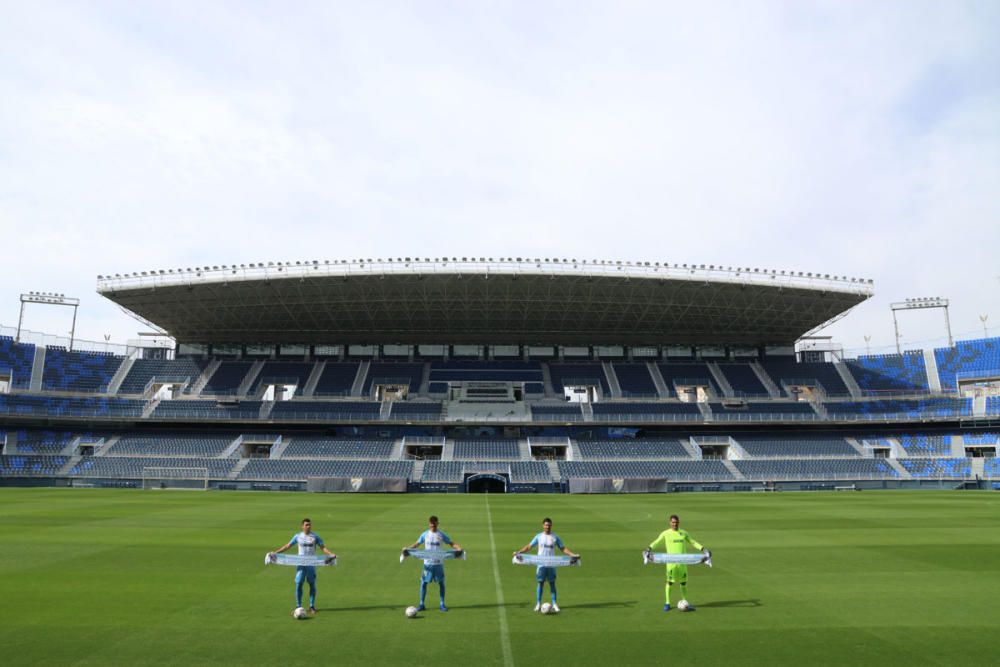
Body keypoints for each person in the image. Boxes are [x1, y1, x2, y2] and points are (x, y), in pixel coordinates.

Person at [513, 517, 579, 613]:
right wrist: (519, 552)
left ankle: (555, 604)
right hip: (541, 564)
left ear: (551, 526)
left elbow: (563, 548)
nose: (547, 526)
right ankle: (538, 603)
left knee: (552, 584)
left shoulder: (555, 537)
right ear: (543, 525)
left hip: (551, 564)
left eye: (549, 525)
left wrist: (573, 555)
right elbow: (529, 546)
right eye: (546, 525)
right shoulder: (539, 536)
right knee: (540, 583)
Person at [272, 518, 336, 614]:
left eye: (309, 525)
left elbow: (323, 548)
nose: (308, 526)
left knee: (312, 584)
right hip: (301, 563)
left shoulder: (315, 537)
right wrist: (275, 553)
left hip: (311, 563)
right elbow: (287, 546)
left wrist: (331, 554)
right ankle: (298, 606)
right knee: (299, 584)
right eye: (306, 525)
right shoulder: (298, 536)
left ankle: (312, 606)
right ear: (302, 526)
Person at [647, 514, 707, 612]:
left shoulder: (683, 533)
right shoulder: (665, 533)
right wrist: (648, 548)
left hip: (682, 563)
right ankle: (667, 603)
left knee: (683, 582)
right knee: (669, 582)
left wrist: (703, 549)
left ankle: (685, 602)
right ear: (670, 523)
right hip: (671, 563)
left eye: (676, 522)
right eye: (673, 522)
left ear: (679, 522)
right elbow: (657, 541)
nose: (675, 524)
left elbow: (693, 542)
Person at [403, 515, 462, 612]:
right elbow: (417, 544)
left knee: (441, 583)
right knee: (423, 583)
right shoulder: (425, 534)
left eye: (434, 524)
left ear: (437, 524)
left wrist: (458, 548)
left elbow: (451, 543)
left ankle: (442, 604)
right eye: (431, 524)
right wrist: (407, 549)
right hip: (427, 564)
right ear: (429, 524)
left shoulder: (441, 535)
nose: (433, 526)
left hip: (438, 564)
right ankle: (421, 604)